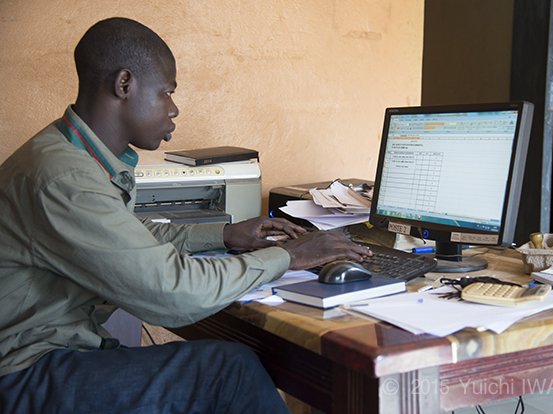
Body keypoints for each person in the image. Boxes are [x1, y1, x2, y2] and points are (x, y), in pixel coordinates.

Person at [0, 17, 371, 413]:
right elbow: (171, 293)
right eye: (166, 92)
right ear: (124, 84)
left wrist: (225, 236)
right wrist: (290, 256)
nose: (174, 109)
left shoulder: (65, 153)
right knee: (228, 372)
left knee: (224, 364)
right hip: (24, 376)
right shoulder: (64, 177)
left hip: (47, 356)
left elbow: (123, 236)